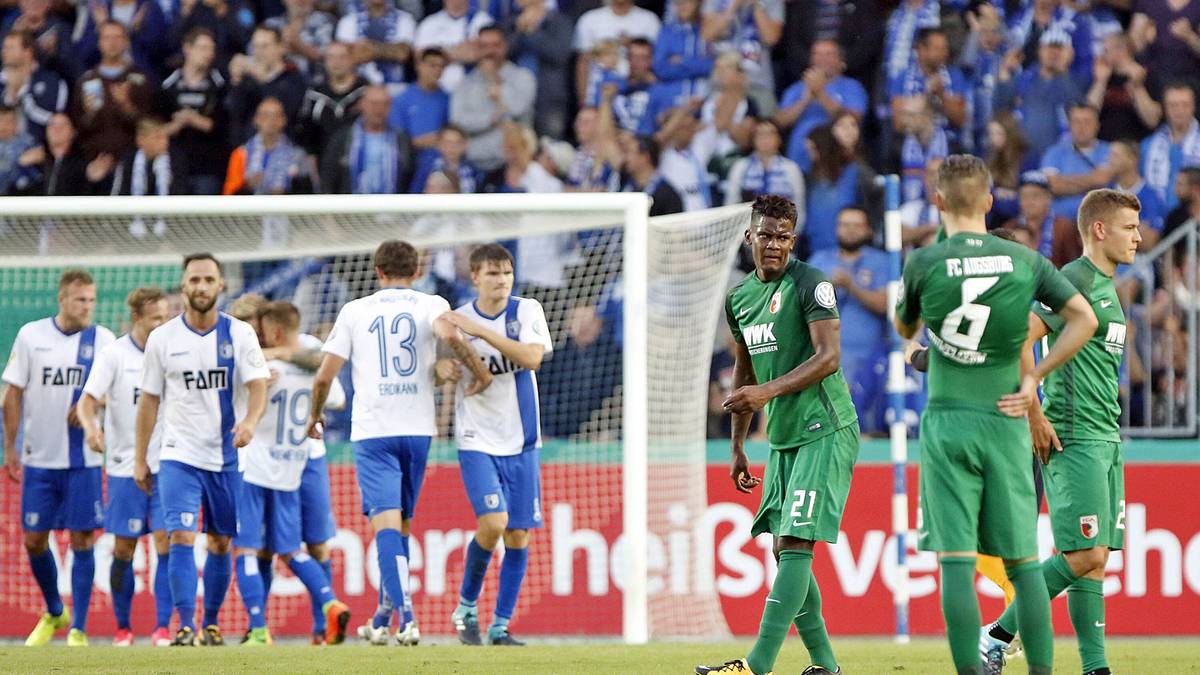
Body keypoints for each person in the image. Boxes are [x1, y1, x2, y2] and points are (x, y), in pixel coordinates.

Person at [894, 154, 1097, 675]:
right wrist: (1034, 375)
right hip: (1007, 418)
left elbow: (905, 329)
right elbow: (1083, 319)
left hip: (948, 421)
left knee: (957, 564)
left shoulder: (923, 262)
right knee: (1025, 565)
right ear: (988, 202)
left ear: (938, 202)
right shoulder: (1025, 261)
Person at [980, 188, 1141, 675]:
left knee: (1096, 561)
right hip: (1072, 436)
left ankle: (1096, 668)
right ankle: (998, 632)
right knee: (1083, 551)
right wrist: (1035, 412)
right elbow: (1025, 337)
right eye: (1128, 228)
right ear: (1099, 230)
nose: (1137, 237)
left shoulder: (1108, 286)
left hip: (1105, 437)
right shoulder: (1074, 280)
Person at [696, 194, 858, 675]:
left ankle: (755, 666)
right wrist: (738, 446)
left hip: (825, 427)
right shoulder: (739, 298)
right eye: (765, 234)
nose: (773, 245)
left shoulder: (811, 283)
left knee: (796, 544)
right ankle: (826, 667)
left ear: (793, 239)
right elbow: (744, 373)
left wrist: (764, 393)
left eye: (783, 236)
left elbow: (828, 357)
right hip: (784, 437)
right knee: (782, 547)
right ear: (750, 236)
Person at [307, 240, 492, 648]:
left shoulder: (355, 311)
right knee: (402, 525)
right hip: (418, 429)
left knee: (385, 526)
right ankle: (382, 617)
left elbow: (323, 377)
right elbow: (450, 337)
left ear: (377, 270)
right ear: (418, 267)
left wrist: (314, 414)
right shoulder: (431, 302)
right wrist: (472, 370)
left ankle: (407, 618)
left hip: (375, 431)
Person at [134, 253, 271, 646]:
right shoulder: (163, 339)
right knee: (180, 534)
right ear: (183, 286)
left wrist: (249, 422)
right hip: (178, 453)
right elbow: (149, 401)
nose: (200, 286)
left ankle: (210, 624)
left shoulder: (240, 334)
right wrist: (142, 456)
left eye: (208, 279)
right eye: (194, 279)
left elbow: (258, 385)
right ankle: (185, 626)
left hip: (226, 456)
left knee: (220, 541)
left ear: (221, 285)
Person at [440, 244, 552, 647]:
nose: (502, 280)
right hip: (476, 437)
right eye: (492, 274)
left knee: (519, 536)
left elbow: (533, 358)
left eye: (506, 273)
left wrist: (483, 333)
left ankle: (500, 626)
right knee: (493, 524)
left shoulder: (527, 310)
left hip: (522, 439)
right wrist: (445, 369)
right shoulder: (457, 318)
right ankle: (466, 606)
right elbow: (437, 370)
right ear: (475, 277)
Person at [3, 269, 115, 646]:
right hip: (39, 458)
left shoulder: (103, 340)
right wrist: (10, 447)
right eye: (80, 299)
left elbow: (118, 389)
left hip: (84, 460)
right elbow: (13, 393)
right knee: (34, 540)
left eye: (92, 300)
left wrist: (92, 402)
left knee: (83, 540)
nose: (87, 307)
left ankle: (79, 629)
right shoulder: (32, 336)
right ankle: (54, 610)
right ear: (63, 299)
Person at [233, 301, 351, 647]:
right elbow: (333, 396)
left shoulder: (279, 357)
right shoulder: (264, 356)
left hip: (271, 464)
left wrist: (276, 357)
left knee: (273, 547)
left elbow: (334, 392)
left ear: (270, 327)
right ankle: (323, 607)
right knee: (282, 549)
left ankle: (275, 628)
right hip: (291, 463)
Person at [77, 287, 172, 647]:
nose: (163, 325)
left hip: (168, 462)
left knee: (167, 541)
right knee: (124, 548)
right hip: (122, 466)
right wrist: (91, 428)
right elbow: (86, 402)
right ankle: (123, 628)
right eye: (156, 319)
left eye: (166, 317)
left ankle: (163, 628)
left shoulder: (172, 351)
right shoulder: (114, 355)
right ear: (137, 319)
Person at [807, 205, 888, 433]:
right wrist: (828, 287)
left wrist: (851, 285)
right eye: (845, 225)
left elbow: (884, 304)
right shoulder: (819, 259)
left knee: (858, 422)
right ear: (836, 229)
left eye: (857, 225)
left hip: (867, 356)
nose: (850, 231)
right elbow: (800, 304)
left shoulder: (881, 261)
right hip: (821, 353)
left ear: (868, 230)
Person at [448, 26, 535, 172]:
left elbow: (518, 108)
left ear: (505, 47)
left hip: (512, 165)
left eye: (496, 45)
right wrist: (490, 120)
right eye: (484, 46)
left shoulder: (522, 76)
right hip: (473, 163)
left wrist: (494, 79)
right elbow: (457, 121)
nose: (490, 52)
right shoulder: (465, 83)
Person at [775, 39, 867, 172]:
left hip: (837, 163)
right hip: (799, 160)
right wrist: (805, 100)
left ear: (841, 61)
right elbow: (779, 122)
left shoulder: (851, 86)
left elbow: (855, 118)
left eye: (828, 54)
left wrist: (821, 94)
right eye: (816, 54)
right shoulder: (797, 88)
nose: (821, 59)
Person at [162, 27, 229, 196]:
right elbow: (158, 127)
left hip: (208, 168)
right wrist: (178, 124)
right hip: (175, 165)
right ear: (187, 48)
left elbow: (221, 126)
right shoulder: (169, 84)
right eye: (203, 48)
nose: (208, 54)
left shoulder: (219, 84)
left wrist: (191, 118)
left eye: (211, 49)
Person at [318, 84, 412, 194]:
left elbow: (410, 175)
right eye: (374, 104)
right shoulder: (343, 139)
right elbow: (328, 176)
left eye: (384, 104)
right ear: (362, 104)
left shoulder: (401, 140)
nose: (379, 109)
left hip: (391, 208)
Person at [1041, 104, 1112, 220]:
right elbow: (1053, 186)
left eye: (1087, 122)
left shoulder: (1110, 151)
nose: (1081, 127)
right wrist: (1092, 179)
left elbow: (1102, 180)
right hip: (1061, 220)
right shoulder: (1054, 152)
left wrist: (1065, 180)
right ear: (1069, 125)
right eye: (1076, 122)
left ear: (1097, 125)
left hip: (1100, 220)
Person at [1140, 83, 1200, 213]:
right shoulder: (1148, 146)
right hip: (1155, 220)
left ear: (1194, 106)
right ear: (1164, 108)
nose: (1179, 110)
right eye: (1173, 105)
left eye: (1185, 104)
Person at [0, 30, 68, 144]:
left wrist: (22, 92)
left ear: (27, 52)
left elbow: (53, 120)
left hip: (39, 148)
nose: (4, 52)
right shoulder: (2, 82)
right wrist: (10, 96)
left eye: (10, 48)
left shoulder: (51, 81)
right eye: (4, 47)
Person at [333, 0, 415, 93]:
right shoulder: (348, 21)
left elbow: (402, 54)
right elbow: (347, 56)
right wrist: (389, 50)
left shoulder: (405, 19)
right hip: (357, 90)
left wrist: (368, 48)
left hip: (395, 88)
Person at [724, 118, 803, 206]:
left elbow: (798, 205)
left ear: (779, 139)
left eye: (770, 134)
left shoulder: (791, 168)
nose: (765, 138)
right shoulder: (741, 166)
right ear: (753, 139)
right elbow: (731, 201)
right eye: (760, 134)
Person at [620, 133, 684, 216]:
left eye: (629, 152)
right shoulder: (625, 184)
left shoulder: (668, 195)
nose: (625, 158)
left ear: (645, 156)